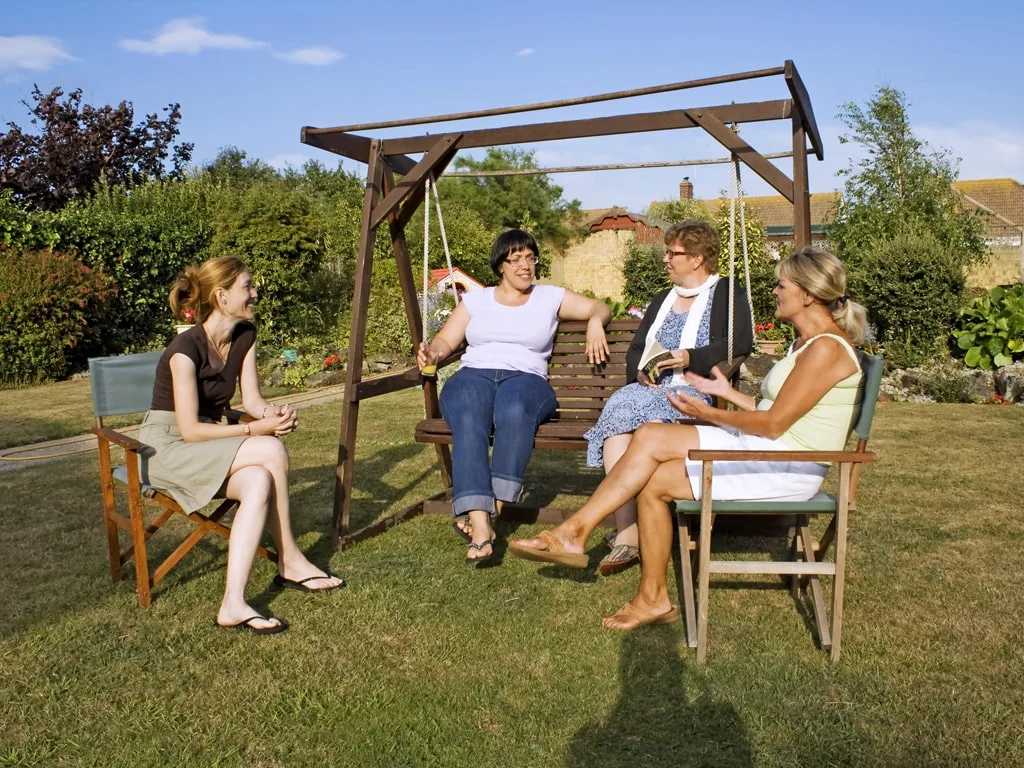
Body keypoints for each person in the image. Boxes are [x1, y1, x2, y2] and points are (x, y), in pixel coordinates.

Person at [509, 246, 868, 630]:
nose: (775, 291)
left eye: (782, 285)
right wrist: (727, 393)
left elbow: (773, 424)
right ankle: (650, 596)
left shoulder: (827, 349)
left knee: (651, 441)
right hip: (767, 450)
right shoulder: (808, 343)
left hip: (787, 467)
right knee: (653, 464)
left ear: (808, 294)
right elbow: (778, 410)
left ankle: (575, 533)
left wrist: (709, 412)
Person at [140, 255, 343, 635]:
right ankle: (290, 558)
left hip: (206, 441)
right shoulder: (184, 350)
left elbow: (251, 400)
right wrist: (255, 431)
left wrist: (273, 413)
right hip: (166, 447)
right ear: (222, 295)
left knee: (258, 481)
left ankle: (233, 602)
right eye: (247, 287)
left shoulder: (245, 335)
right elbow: (190, 430)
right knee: (269, 448)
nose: (254, 293)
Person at [418, 229, 612, 564]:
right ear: (500, 266)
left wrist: (595, 321)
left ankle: (488, 509)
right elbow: (445, 341)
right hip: (474, 374)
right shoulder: (476, 300)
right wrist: (432, 352)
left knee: (514, 408)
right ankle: (482, 526)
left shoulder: (549, 297)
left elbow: (600, 307)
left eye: (530, 258)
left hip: (526, 379)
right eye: (516, 259)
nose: (525, 265)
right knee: (468, 415)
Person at [584, 219, 753, 577]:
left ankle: (637, 528)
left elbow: (740, 341)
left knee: (630, 414)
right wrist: (640, 372)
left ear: (697, 259)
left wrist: (691, 357)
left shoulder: (726, 292)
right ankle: (628, 530)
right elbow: (637, 348)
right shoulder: (663, 299)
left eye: (672, 253)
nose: (665, 259)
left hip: (694, 389)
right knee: (619, 416)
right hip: (650, 389)